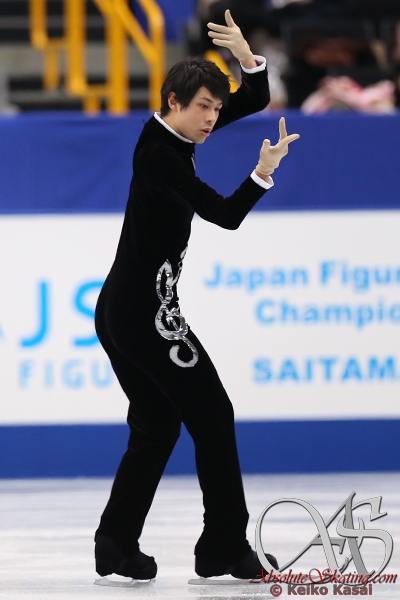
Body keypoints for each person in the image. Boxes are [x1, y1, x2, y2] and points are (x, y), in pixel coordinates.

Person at [94, 9, 299, 581]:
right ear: (173, 102)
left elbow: (253, 98)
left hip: (122, 309)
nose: (213, 118)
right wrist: (261, 173)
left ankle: (115, 542)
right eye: (204, 107)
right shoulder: (161, 156)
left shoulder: (174, 130)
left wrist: (247, 58)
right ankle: (224, 546)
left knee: (158, 424)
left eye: (215, 108)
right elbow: (225, 215)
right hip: (145, 316)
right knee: (213, 413)